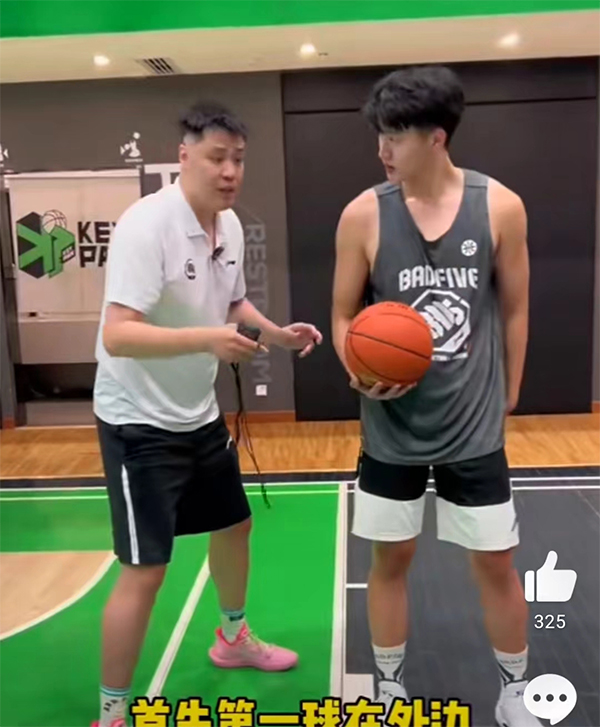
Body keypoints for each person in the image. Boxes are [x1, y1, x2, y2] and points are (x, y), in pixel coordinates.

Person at [91, 101, 322, 727]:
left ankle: (233, 638)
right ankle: (112, 712)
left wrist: (276, 334)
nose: (230, 172)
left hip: (197, 413)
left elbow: (234, 302)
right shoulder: (146, 227)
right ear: (184, 156)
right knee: (146, 571)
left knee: (234, 526)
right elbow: (118, 334)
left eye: (238, 160)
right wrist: (209, 340)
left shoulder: (229, 225)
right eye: (218, 158)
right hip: (138, 421)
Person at [331, 65, 538, 726]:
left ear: (437, 137)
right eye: (379, 135)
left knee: (496, 564)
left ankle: (514, 691)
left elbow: (514, 307)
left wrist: (511, 390)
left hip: (472, 426)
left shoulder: (499, 206)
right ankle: (390, 686)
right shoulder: (363, 215)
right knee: (389, 559)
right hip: (391, 426)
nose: (382, 150)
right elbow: (342, 315)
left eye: (395, 136)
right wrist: (356, 365)